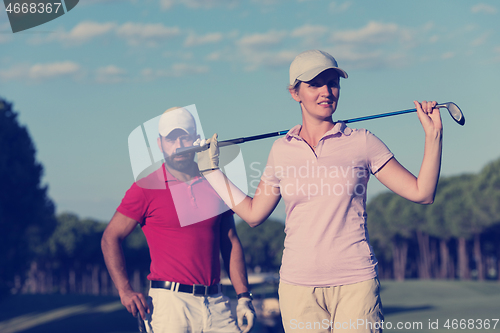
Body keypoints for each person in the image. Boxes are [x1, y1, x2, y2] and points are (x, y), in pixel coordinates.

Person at [195, 49, 442, 332]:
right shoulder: (281, 150)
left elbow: (422, 192)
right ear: (295, 93)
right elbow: (253, 214)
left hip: (355, 283)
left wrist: (433, 135)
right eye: (315, 84)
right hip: (298, 288)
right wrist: (211, 172)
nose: (326, 91)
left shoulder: (362, 142)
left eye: (332, 83)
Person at [101, 107, 256, 333]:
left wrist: (243, 297)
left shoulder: (215, 181)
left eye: (185, 136)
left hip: (216, 302)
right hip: (169, 305)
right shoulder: (145, 187)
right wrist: (125, 290)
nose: (179, 144)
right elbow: (110, 238)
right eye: (171, 138)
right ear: (160, 143)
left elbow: (230, 242)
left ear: (196, 139)